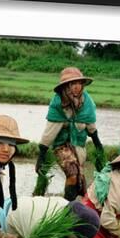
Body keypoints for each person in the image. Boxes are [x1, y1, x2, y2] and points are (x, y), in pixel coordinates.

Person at [34, 67, 104, 201]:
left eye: (79, 83)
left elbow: (91, 128)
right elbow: (50, 132)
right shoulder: (58, 104)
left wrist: (99, 148)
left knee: (80, 181)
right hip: (61, 146)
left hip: (79, 145)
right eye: (73, 84)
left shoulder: (87, 103)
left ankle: (75, 209)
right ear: (66, 86)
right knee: (72, 174)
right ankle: (66, 208)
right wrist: (41, 156)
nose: (77, 87)